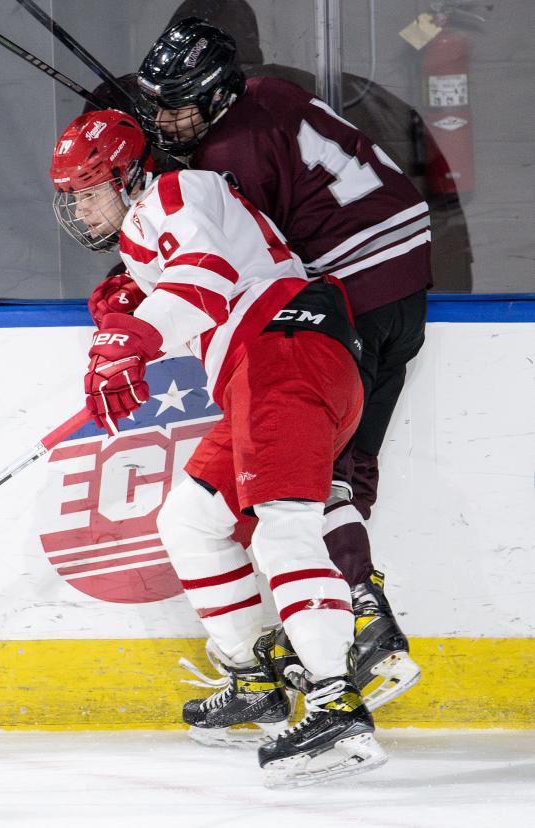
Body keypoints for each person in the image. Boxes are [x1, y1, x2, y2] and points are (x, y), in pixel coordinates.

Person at [50, 108, 386, 788]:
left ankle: (335, 700)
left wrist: (132, 341)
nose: (79, 208)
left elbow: (203, 279)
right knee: (191, 518)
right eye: (73, 195)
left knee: (285, 529)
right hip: (266, 373)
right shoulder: (151, 237)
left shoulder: (174, 195)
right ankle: (256, 674)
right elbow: (190, 295)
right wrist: (122, 346)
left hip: (284, 358)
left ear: (128, 174)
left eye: (89, 189)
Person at [125, 17, 426, 714]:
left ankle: (363, 619)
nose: (166, 118)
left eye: (178, 104)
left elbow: (235, 248)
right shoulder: (268, 95)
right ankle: (361, 609)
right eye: (159, 104)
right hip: (407, 285)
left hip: (350, 292)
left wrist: (152, 190)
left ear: (217, 94)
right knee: (343, 468)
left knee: (302, 468)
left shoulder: (227, 152)